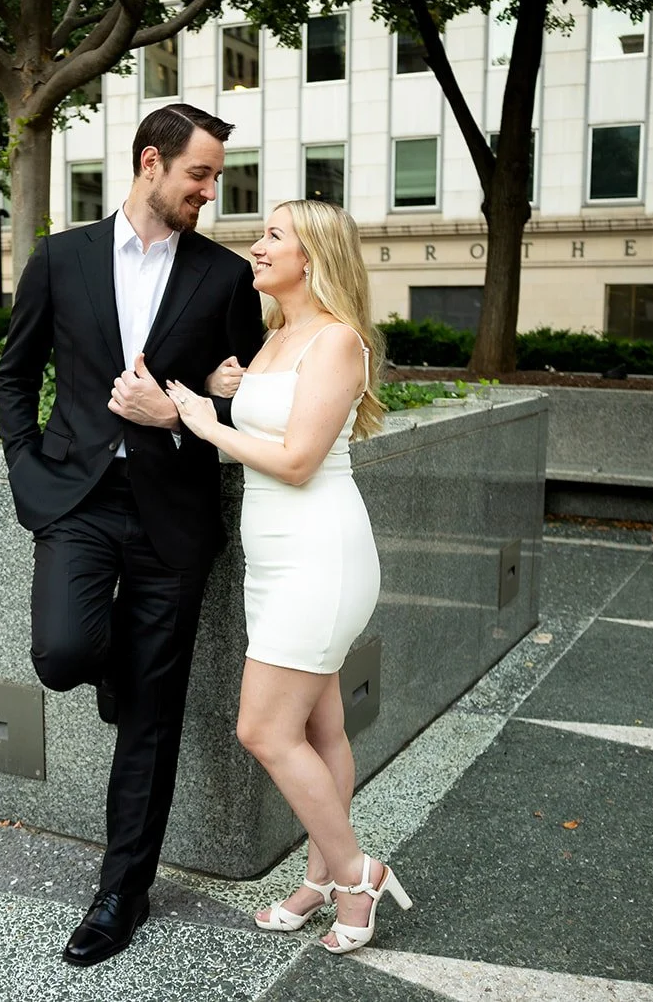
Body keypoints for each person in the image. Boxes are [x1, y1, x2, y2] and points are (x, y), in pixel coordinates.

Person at [0, 103, 265, 967]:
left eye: (215, 177)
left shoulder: (223, 277)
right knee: (63, 653)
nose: (210, 192)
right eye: (200, 175)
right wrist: (29, 471)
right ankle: (110, 670)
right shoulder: (61, 258)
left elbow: (255, 397)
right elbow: (16, 373)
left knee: (154, 713)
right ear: (153, 163)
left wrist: (205, 402)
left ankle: (122, 890)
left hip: (174, 515)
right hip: (77, 499)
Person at [166, 199, 412, 955]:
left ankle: (354, 870)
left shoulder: (337, 340)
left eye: (274, 235)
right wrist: (225, 389)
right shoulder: (278, 335)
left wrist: (209, 424)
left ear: (313, 256)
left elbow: (301, 461)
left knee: (263, 727)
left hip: (319, 553)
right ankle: (318, 881)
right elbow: (270, 420)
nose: (256, 245)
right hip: (276, 558)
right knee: (320, 726)